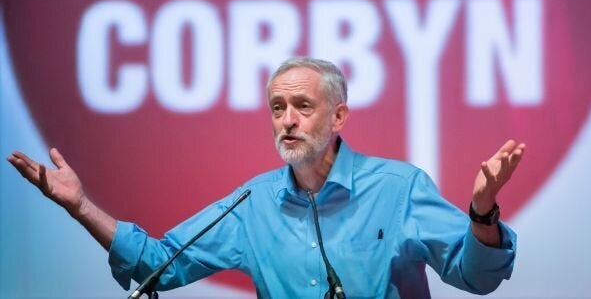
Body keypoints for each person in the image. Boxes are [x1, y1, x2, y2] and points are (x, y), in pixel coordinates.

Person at [7, 57, 525, 298]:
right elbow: (156, 267)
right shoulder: (250, 205)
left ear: (339, 116)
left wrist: (482, 212)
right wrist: (80, 207)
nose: (287, 119)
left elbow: (476, 276)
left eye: (302, 105)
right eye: (278, 107)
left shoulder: (399, 187)